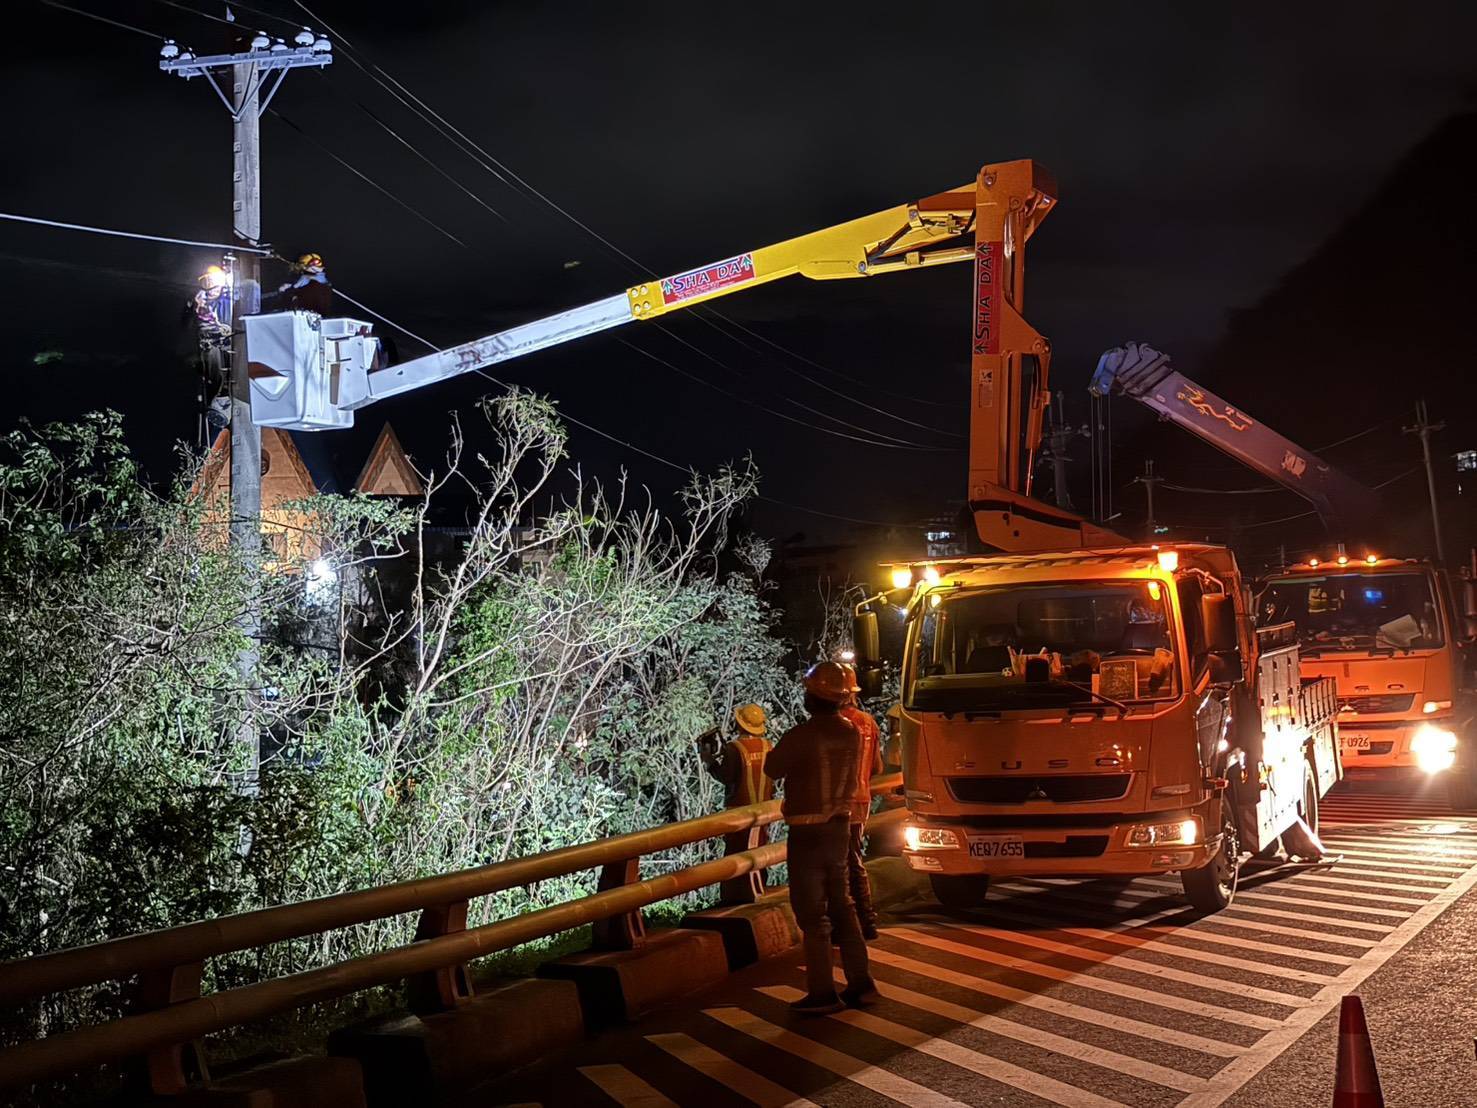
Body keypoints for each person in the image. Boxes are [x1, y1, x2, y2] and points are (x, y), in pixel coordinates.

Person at [764, 662, 876, 1014]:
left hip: (807, 831)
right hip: (840, 825)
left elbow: (773, 768)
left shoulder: (802, 735)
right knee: (842, 904)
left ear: (812, 696)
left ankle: (822, 992)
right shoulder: (853, 732)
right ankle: (861, 983)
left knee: (812, 913)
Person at [839, 665, 883, 940]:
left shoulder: (835, 723)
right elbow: (877, 767)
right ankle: (866, 920)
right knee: (854, 857)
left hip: (839, 802)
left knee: (842, 863)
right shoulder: (868, 721)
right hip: (863, 798)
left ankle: (856, 922)